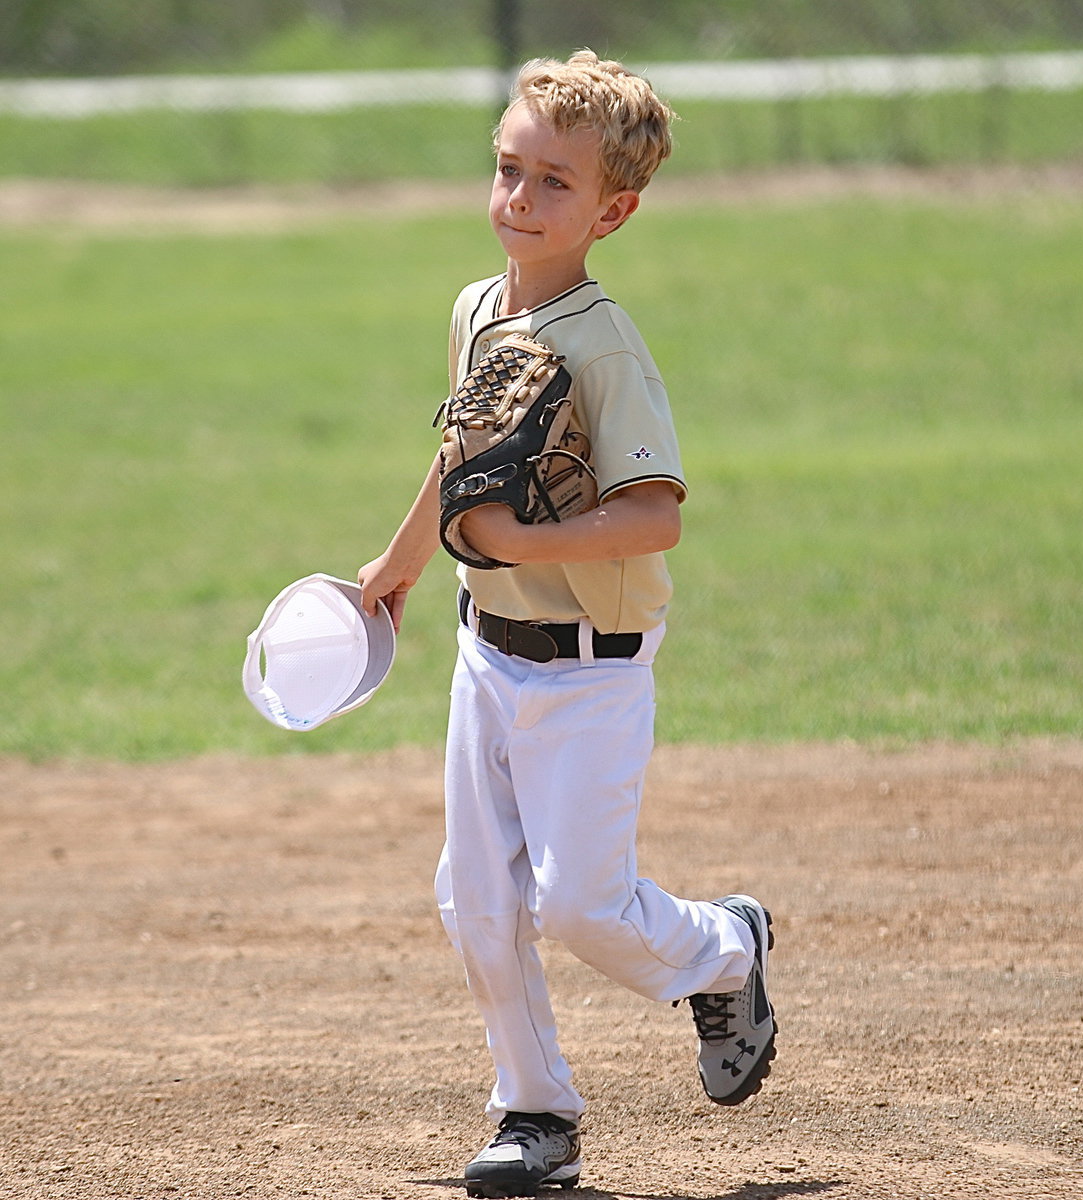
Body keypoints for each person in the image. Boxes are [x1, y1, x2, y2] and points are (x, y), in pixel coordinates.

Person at [358, 50, 776, 1199]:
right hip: (481, 649)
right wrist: (395, 569)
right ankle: (534, 1112)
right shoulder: (475, 308)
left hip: (590, 671)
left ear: (613, 209)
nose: (518, 199)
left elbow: (655, 517)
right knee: (474, 897)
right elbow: (460, 464)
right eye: (507, 170)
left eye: (552, 181)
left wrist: (528, 545)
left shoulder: (605, 346)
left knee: (582, 906)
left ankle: (726, 949)